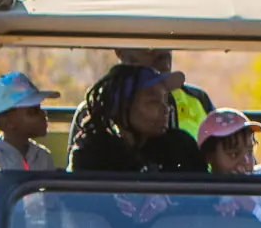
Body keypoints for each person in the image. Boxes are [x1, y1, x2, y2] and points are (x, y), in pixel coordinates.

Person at [67, 63, 204, 172]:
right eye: (153, 101)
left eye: (165, 101)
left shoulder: (181, 148)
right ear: (123, 106)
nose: (165, 109)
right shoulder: (91, 154)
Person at [115, 47, 216, 136]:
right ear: (120, 51)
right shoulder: (111, 102)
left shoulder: (198, 99)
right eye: (149, 48)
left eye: (168, 45)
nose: (163, 52)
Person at [0, 71, 59, 171]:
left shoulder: (43, 157)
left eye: (39, 108)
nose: (43, 114)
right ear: (7, 122)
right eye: (33, 111)